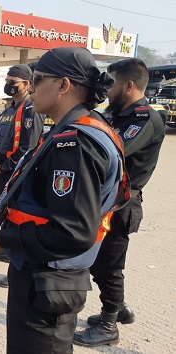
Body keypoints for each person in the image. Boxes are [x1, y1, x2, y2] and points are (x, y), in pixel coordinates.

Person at [0, 47, 127, 353]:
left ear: (63, 85)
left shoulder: (76, 144)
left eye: (38, 79)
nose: (30, 86)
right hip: (42, 273)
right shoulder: (70, 130)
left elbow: (73, 232)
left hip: (49, 281)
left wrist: (2, 239)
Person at [73, 58, 165, 347]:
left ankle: (109, 326)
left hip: (121, 205)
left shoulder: (144, 118)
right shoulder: (118, 114)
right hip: (105, 201)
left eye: (111, 84)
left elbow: (112, 149)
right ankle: (118, 308)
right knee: (99, 264)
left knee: (110, 266)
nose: (106, 90)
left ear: (128, 85)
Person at [0, 64, 46, 288]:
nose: (8, 85)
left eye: (14, 82)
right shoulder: (9, 109)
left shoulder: (31, 109)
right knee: (4, 212)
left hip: (17, 174)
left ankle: (17, 269)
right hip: (3, 172)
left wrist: (3, 168)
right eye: (8, 80)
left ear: (27, 84)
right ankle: (7, 250)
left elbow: (28, 149)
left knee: (18, 217)